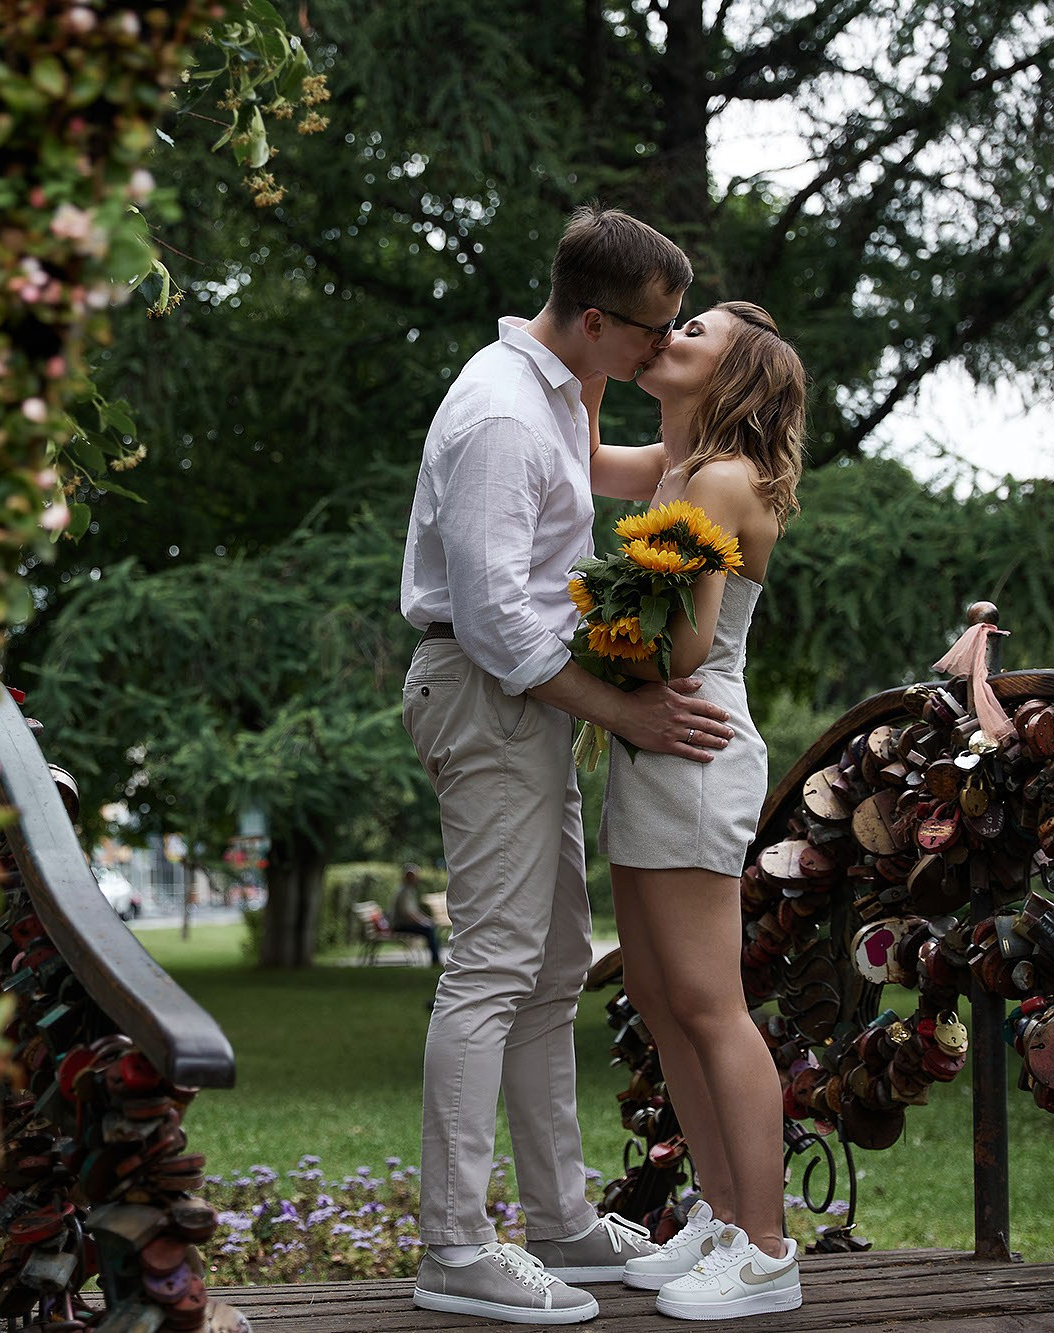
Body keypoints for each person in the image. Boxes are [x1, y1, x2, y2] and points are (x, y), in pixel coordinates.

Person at [399, 205, 736, 1326]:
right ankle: (452, 1246)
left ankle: (559, 1222)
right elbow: (496, 620)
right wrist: (625, 716)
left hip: (524, 709)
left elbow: (613, 482)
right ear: (594, 320)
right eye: (651, 331)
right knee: (493, 966)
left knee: (548, 969)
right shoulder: (499, 410)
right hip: (489, 694)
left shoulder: (553, 390)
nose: (659, 349)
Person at [589, 301, 808, 1320]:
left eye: (694, 332)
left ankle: (766, 1251)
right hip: (649, 738)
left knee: (709, 1004)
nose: (667, 332)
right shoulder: (672, 463)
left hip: (690, 739)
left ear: (735, 377)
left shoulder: (717, 480)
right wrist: (579, 347)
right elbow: (582, 453)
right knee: (659, 995)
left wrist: (585, 644)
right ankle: (719, 1215)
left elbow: (677, 652)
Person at [390, 863, 442, 966]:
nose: (415, 879)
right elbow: (407, 914)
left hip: (405, 924)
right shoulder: (403, 892)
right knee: (429, 930)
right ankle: (435, 960)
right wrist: (424, 922)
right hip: (400, 926)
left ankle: (436, 958)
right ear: (406, 877)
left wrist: (426, 919)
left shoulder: (409, 890)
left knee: (431, 926)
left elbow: (414, 911)